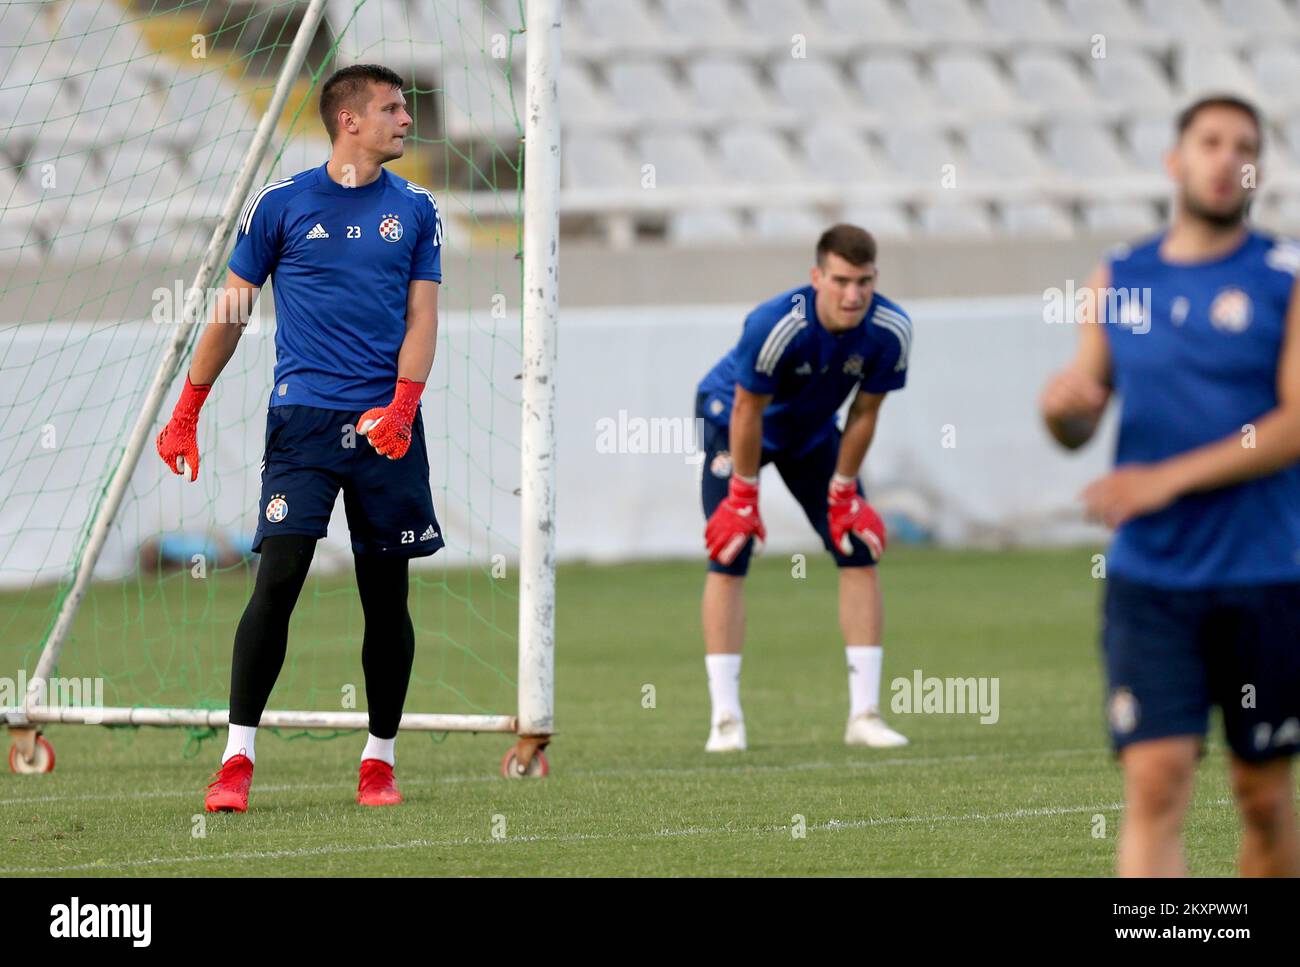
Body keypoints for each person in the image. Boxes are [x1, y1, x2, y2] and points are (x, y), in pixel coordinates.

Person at [156, 64, 445, 811]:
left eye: (404, 110)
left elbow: (423, 316)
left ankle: (378, 760)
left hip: (388, 426)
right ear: (349, 120)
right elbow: (232, 309)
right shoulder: (281, 204)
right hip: (305, 421)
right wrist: (188, 406)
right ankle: (237, 758)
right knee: (278, 576)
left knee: (387, 597)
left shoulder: (417, 209)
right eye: (391, 109)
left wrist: (404, 406)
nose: (405, 121)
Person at [1040, 96, 1300, 876]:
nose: (1227, 159)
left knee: (1261, 796)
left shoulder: (1284, 274)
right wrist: (1064, 412)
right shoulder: (1120, 275)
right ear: (1175, 161)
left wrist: (1165, 480)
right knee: (1155, 782)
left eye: (1244, 147)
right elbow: (1082, 415)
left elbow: (1293, 423)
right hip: (1152, 581)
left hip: (1267, 574)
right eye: (1210, 142)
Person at [695, 224, 912, 752]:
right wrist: (744, 494)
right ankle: (726, 719)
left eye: (863, 281)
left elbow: (864, 411)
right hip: (735, 421)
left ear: (875, 278)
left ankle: (865, 714)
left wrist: (844, 489)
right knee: (731, 546)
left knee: (856, 545)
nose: (852, 294)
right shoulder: (777, 324)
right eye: (840, 280)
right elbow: (749, 408)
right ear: (817, 277)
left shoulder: (890, 329)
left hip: (811, 432)